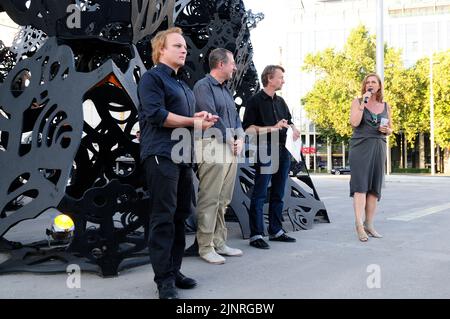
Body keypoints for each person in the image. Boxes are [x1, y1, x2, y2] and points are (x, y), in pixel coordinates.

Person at [138, 27, 218, 299]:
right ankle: (164, 281)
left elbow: (183, 118)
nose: (184, 50)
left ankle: (174, 270)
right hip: (161, 155)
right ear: (161, 50)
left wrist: (200, 117)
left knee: (180, 215)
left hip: (184, 156)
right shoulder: (152, 79)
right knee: (163, 218)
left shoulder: (181, 84)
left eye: (184, 46)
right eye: (177, 46)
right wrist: (192, 121)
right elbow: (157, 115)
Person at [193, 48, 245, 264]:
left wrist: (240, 138)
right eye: (232, 63)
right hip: (212, 145)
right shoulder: (203, 87)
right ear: (220, 64)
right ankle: (205, 247)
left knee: (223, 199)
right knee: (210, 198)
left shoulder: (226, 90)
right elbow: (212, 118)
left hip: (230, 147)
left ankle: (219, 242)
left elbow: (236, 120)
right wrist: (232, 138)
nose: (235, 67)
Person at [242, 65, 300, 249]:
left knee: (279, 192)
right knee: (259, 193)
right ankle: (256, 234)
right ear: (269, 78)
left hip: (283, 151)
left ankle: (276, 230)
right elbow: (248, 129)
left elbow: (288, 122)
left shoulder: (281, 102)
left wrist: (294, 128)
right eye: (281, 77)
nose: (283, 80)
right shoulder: (254, 101)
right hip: (265, 150)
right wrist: (273, 128)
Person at [349, 73, 392, 242]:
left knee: (374, 188)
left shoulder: (386, 106)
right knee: (361, 187)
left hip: (379, 146)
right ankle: (359, 225)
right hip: (360, 146)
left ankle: (369, 224)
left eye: (374, 82)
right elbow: (354, 122)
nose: (370, 84)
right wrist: (363, 102)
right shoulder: (358, 102)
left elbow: (390, 128)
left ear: (379, 86)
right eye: (368, 82)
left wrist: (387, 131)